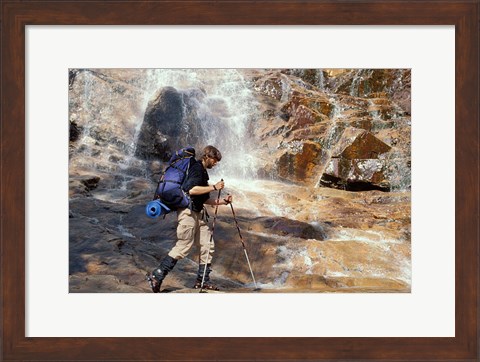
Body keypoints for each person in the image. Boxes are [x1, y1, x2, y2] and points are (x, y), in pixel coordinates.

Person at [147, 145, 233, 293]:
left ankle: (203, 281)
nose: (216, 163)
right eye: (215, 160)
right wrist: (214, 187)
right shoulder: (196, 167)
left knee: (207, 245)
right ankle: (157, 275)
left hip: (199, 212)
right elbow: (191, 190)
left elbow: (204, 198)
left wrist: (222, 202)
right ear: (207, 156)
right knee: (183, 246)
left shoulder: (203, 173)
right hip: (188, 212)